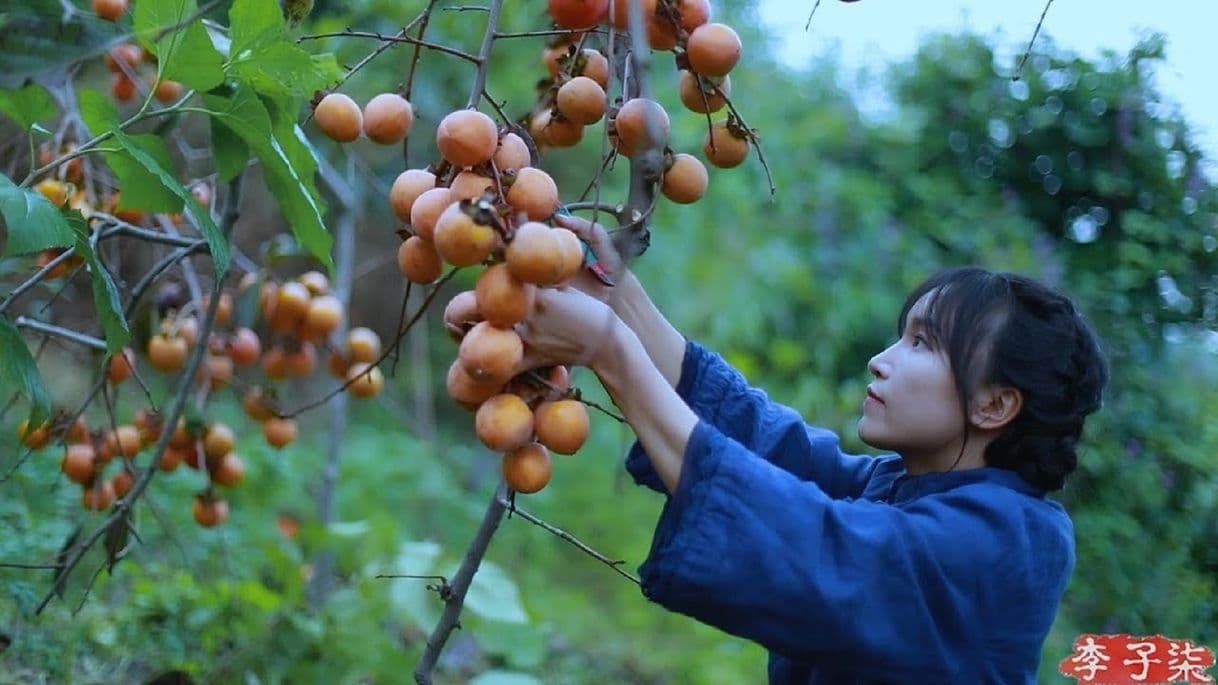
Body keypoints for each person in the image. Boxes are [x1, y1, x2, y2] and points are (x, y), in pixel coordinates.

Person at [514, 214, 1111, 684]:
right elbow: (773, 448)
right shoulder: (898, 490)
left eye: (924, 345)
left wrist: (613, 351)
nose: (881, 361)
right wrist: (620, 299)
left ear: (994, 406)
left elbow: (818, 542)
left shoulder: (1010, 543)